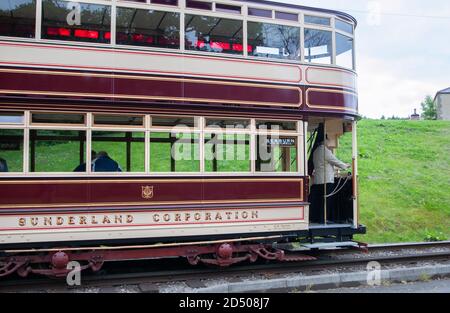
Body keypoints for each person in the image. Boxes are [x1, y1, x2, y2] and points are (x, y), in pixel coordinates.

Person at [309, 137, 350, 224]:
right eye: (328, 140)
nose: (329, 142)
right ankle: (324, 219)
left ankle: (318, 218)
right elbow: (334, 161)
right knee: (326, 200)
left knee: (320, 200)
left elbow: (325, 165)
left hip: (318, 179)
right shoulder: (324, 151)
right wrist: (345, 166)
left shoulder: (316, 151)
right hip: (326, 180)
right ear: (324, 141)